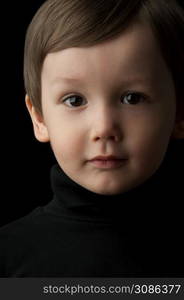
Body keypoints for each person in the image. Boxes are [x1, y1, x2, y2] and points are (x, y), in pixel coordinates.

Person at [0, 0, 184, 277]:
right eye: (75, 100)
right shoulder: (8, 256)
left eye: (132, 98)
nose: (104, 128)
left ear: (180, 112)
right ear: (39, 118)